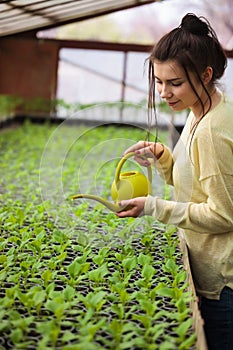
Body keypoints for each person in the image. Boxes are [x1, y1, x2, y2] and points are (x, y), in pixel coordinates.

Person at [116, 13, 233, 350]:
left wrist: (152, 207)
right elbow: (196, 184)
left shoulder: (211, 129)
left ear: (206, 74)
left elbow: (224, 214)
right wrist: (165, 158)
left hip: (221, 287)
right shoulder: (203, 113)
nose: (164, 92)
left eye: (175, 83)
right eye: (158, 81)